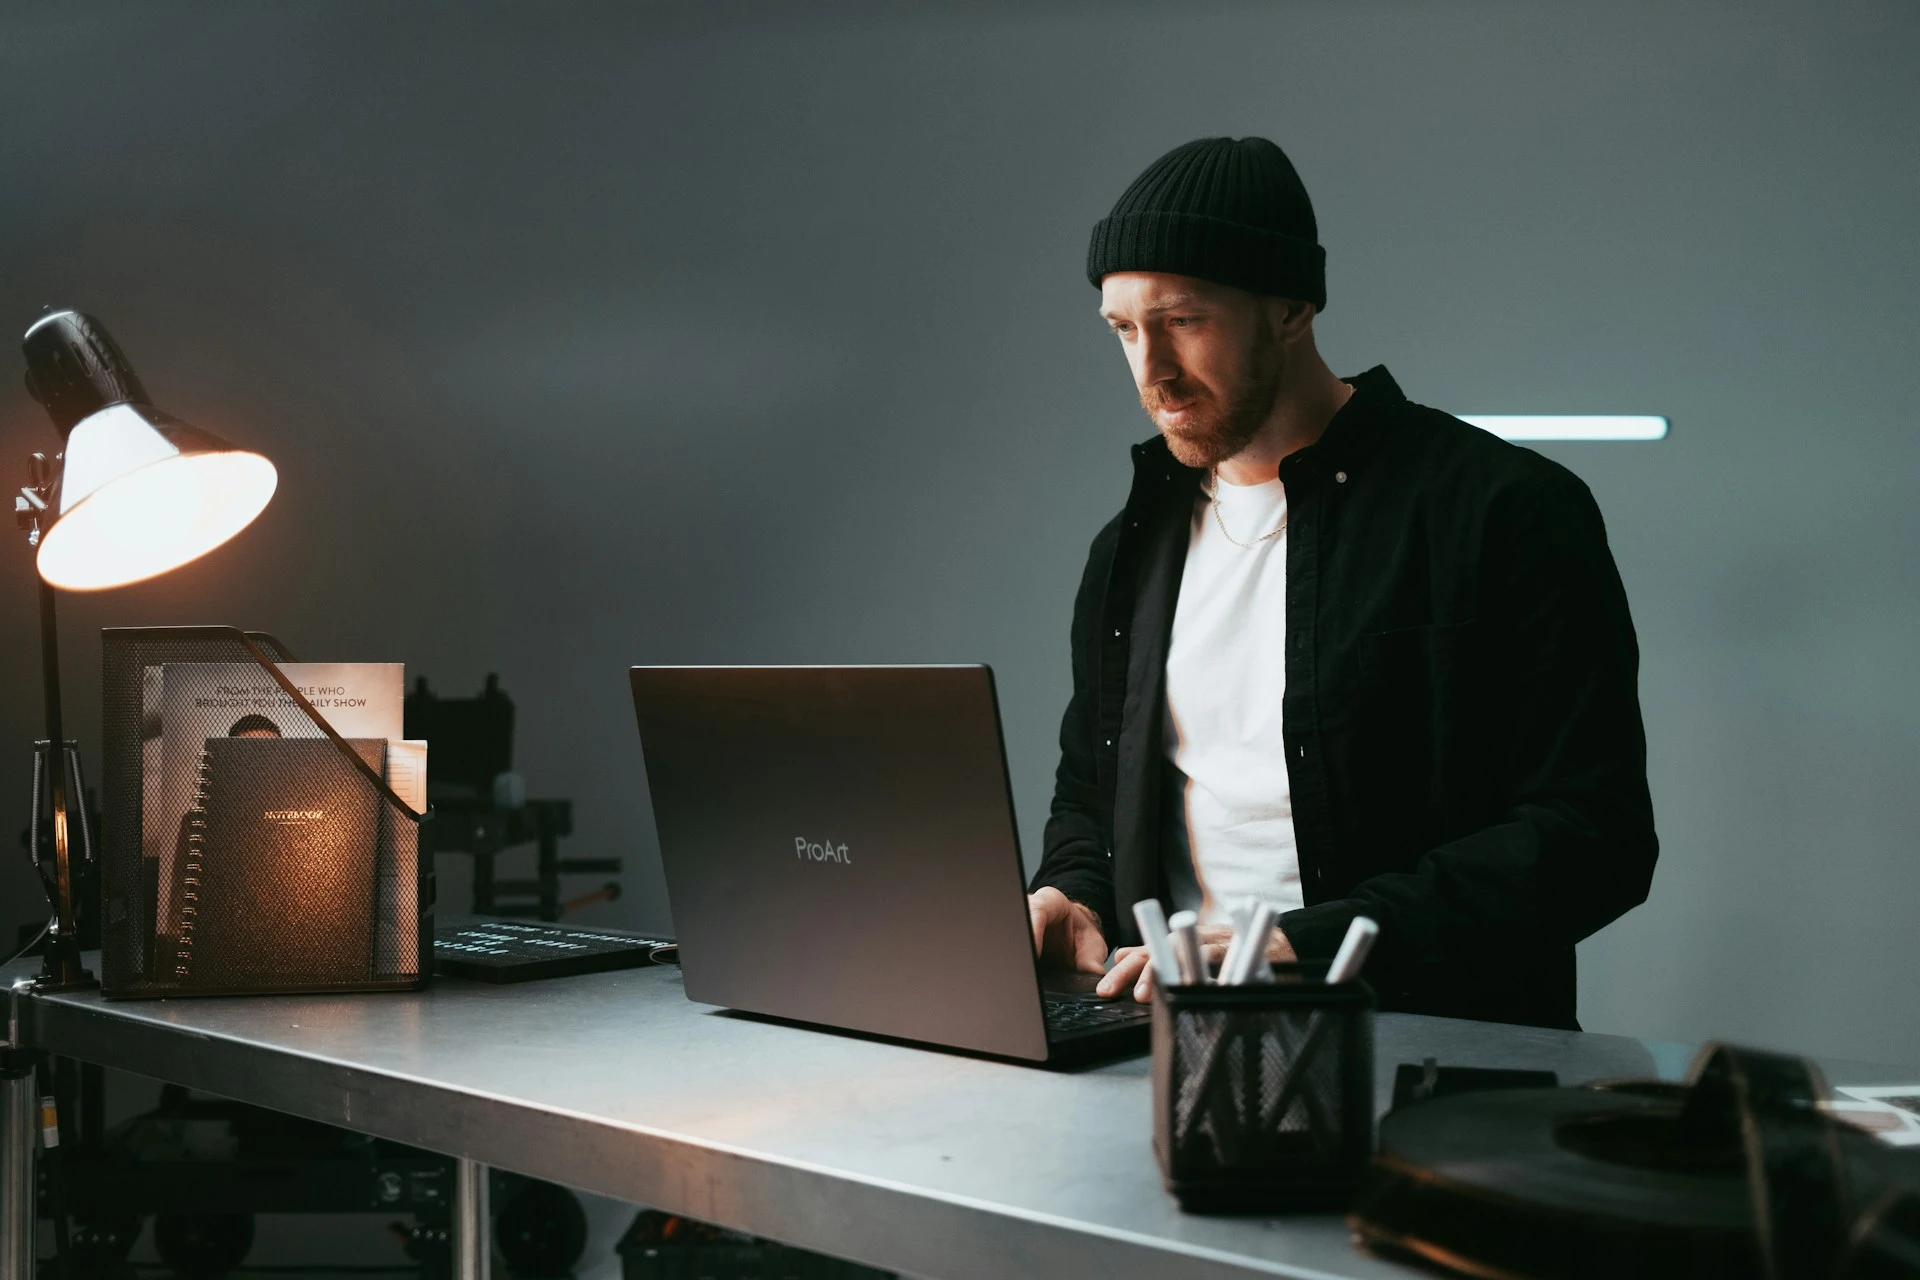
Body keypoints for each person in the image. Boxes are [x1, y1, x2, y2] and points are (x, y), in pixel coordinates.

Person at [1026, 136, 1657, 1028]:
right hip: (1166, 1048)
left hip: (1430, 1060)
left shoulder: (1505, 509)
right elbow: (1091, 790)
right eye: (1124, 329)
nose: (1151, 371)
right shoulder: (1130, 546)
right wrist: (1073, 895)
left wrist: (1298, 943)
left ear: (1290, 307)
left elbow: (1594, 837)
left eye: (1183, 319)